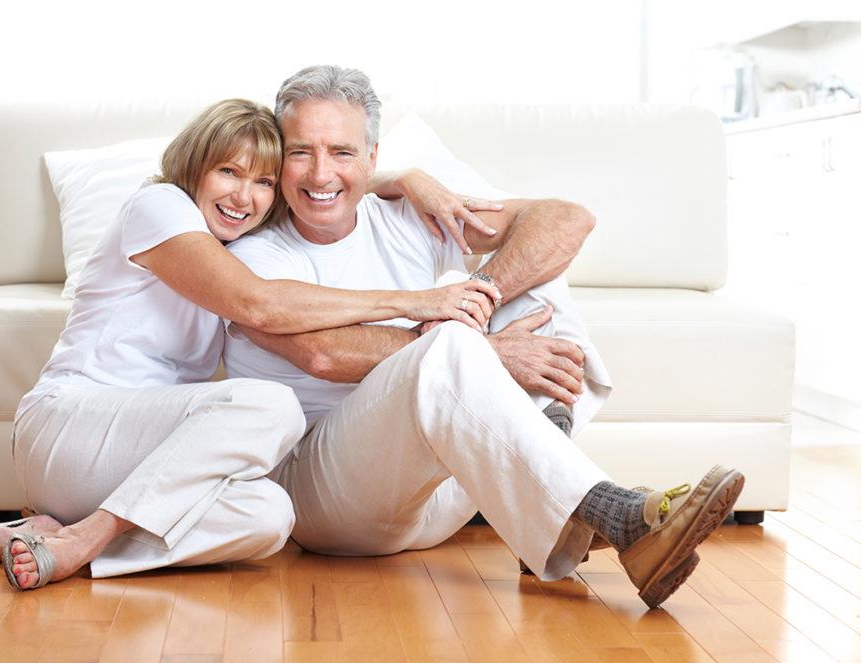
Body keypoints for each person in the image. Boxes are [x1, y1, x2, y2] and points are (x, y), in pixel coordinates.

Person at [0, 98, 503, 589]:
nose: (245, 196)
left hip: (142, 458)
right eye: (229, 172)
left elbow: (322, 190)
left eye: (263, 181)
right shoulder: (158, 206)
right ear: (195, 168)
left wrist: (404, 178)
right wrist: (413, 302)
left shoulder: (239, 243)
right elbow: (258, 304)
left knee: (271, 517)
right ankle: (89, 539)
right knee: (273, 407)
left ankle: (43, 539)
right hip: (68, 428)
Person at [221, 66, 744, 608]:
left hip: (441, 497)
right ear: (276, 157)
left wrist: (483, 290)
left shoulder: (410, 216)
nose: (321, 173)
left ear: (373, 157)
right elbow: (324, 353)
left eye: (343, 153)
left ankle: (551, 504)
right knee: (450, 343)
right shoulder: (249, 254)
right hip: (330, 501)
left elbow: (566, 219)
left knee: (532, 274)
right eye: (301, 151)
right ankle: (617, 516)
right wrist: (487, 352)